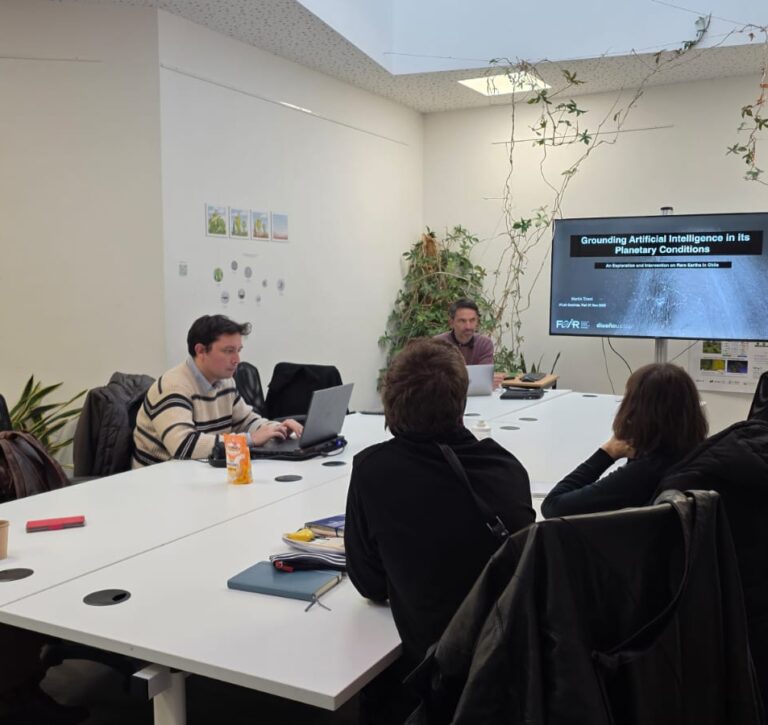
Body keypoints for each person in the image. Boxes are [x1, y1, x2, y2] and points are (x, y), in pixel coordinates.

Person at [345, 338, 534, 722]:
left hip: (434, 681)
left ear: (390, 402)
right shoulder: (507, 468)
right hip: (513, 675)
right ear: (461, 401)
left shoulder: (373, 472)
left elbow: (370, 585)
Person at [541, 362, 708, 518]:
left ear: (636, 411)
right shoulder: (699, 455)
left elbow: (553, 506)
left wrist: (607, 452)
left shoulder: (645, 472)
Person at [132, 315, 302, 467]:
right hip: (158, 480)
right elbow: (183, 445)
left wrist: (277, 429)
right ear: (201, 351)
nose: (237, 360)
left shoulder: (225, 381)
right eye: (228, 351)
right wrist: (250, 440)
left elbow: (246, 422)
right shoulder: (173, 386)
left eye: (238, 351)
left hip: (200, 471)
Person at [433, 298, 505, 387]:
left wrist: (487, 380)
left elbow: (484, 377)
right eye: (462, 321)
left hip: (478, 394)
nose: (468, 326)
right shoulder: (438, 343)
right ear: (451, 322)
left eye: (472, 320)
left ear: (477, 321)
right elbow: (436, 379)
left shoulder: (484, 344)